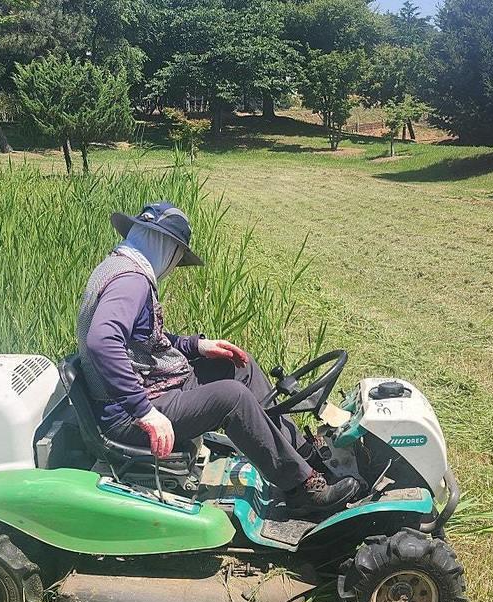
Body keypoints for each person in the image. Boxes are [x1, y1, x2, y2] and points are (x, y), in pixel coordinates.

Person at [75, 201, 359, 515]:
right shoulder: (132, 281)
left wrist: (197, 346)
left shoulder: (121, 267)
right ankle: (301, 488)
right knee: (231, 398)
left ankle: (301, 455)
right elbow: (103, 340)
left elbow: (143, 341)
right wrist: (145, 413)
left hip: (153, 386)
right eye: (177, 256)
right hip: (130, 412)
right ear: (167, 247)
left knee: (238, 367)